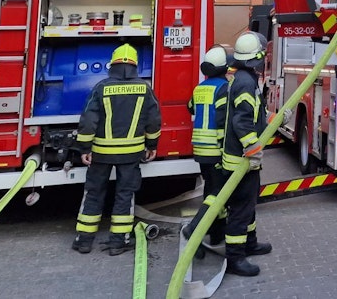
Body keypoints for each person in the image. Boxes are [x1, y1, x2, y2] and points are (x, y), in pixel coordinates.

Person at [72, 43, 161, 256]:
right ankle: (117, 242)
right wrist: (151, 146)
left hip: (101, 153)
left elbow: (88, 120)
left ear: (112, 64)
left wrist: (85, 148)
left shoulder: (101, 87)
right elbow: (154, 121)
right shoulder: (144, 88)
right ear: (135, 65)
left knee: (93, 194)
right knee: (125, 195)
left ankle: (84, 241)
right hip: (131, 154)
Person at [221, 31, 272, 277]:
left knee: (249, 205)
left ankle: (249, 243)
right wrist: (252, 149)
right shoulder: (245, 82)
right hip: (240, 160)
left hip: (245, 159)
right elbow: (242, 121)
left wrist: (272, 119)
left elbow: (252, 115)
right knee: (241, 209)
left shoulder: (244, 78)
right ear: (257, 58)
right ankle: (235, 258)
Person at [180, 44, 231, 249]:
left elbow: (190, 107)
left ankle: (216, 233)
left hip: (200, 149)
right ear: (224, 68)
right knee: (217, 193)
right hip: (215, 149)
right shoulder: (223, 89)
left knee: (210, 189)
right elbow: (223, 119)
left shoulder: (200, 87)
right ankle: (194, 229)